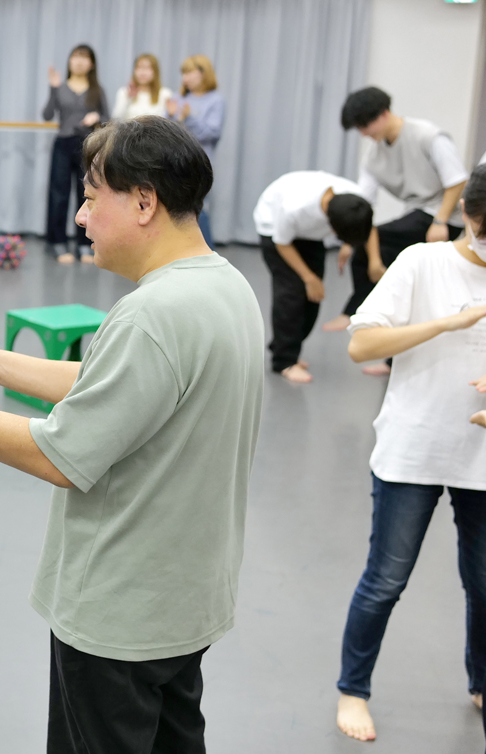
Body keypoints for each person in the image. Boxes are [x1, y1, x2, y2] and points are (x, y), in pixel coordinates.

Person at [0, 116, 263, 753]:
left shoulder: (150, 314)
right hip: (182, 601)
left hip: (119, 611)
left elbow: (59, 454)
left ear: (144, 201)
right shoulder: (224, 286)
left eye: (91, 197)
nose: (81, 217)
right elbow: (120, 385)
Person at [333, 162, 486, 745]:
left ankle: (481, 680)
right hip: (415, 448)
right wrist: (448, 323)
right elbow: (362, 344)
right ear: (467, 213)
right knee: (386, 580)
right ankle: (353, 689)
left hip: (481, 454)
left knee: (484, 584)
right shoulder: (423, 263)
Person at [322, 87, 469, 374]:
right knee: (372, 251)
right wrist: (350, 241)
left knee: (383, 246)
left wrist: (440, 221)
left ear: (384, 114)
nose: (363, 133)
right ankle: (386, 350)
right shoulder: (373, 155)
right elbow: (363, 204)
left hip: (443, 217)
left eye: (364, 126)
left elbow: (457, 180)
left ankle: (355, 310)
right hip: (417, 215)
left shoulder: (429, 136)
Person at [253, 171, 375, 382]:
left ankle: (284, 346)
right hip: (274, 230)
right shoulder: (294, 208)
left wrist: (368, 256)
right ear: (331, 225)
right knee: (291, 293)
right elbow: (281, 243)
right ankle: (284, 361)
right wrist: (309, 278)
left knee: (313, 298)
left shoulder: (355, 199)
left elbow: (369, 227)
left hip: (309, 235)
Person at [43, 44, 108, 265]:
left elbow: (107, 118)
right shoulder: (60, 87)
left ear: (92, 64)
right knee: (58, 194)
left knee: (87, 194)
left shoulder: (97, 90)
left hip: (88, 147)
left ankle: (84, 243)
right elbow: (47, 115)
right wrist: (53, 89)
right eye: (76, 57)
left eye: (84, 57)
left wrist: (96, 117)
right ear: (70, 61)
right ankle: (57, 242)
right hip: (63, 144)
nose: (79, 61)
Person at [168, 55, 224, 249]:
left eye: (190, 72)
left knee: (198, 208)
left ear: (204, 74)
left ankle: (207, 252)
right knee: (174, 207)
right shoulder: (178, 98)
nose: (186, 78)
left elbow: (212, 133)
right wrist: (171, 116)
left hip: (199, 163)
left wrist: (188, 118)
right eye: (183, 73)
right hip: (173, 161)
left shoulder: (215, 100)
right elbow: (168, 132)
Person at [111, 54, 173, 121]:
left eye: (147, 68)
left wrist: (171, 115)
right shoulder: (124, 92)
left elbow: (168, 123)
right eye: (139, 67)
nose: (142, 72)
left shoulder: (165, 93)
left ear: (155, 71)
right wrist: (128, 99)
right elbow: (115, 120)